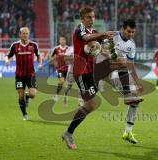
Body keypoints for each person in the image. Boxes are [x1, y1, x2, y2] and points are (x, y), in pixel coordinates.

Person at [62, 7, 116, 149]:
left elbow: (100, 48)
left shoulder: (95, 33)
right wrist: (103, 35)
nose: (91, 19)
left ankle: (69, 131)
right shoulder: (79, 30)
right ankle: (68, 133)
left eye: (93, 17)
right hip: (81, 72)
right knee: (91, 104)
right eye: (88, 17)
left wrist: (109, 53)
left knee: (90, 105)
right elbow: (86, 38)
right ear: (82, 19)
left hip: (92, 72)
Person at [109, 19, 143, 144]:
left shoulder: (131, 44)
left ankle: (128, 131)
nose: (130, 34)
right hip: (109, 72)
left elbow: (131, 64)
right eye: (129, 31)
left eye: (133, 32)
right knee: (132, 98)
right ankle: (127, 95)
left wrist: (137, 81)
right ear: (123, 28)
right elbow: (101, 50)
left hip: (122, 73)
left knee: (136, 101)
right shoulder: (112, 37)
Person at [5, 27, 42, 121]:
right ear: (20, 34)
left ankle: (27, 96)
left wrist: (40, 63)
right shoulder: (15, 45)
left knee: (33, 94)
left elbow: (38, 55)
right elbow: (8, 55)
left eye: (27, 33)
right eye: (23, 33)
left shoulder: (33, 45)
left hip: (31, 74)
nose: (25, 35)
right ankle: (25, 114)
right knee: (20, 96)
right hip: (19, 75)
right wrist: (7, 61)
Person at [50, 36, 74, 105]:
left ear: (65, 40)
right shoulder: (56, 49)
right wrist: (54, 63)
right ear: (59, 41)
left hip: (69, 68)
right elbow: (51, 57)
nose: (62, 41)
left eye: (63, 39)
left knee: (70, 84)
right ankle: (56, 95)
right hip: (60, 68)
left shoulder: (69, 49)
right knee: (61, 81)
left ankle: (65, 95)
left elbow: (72, 57)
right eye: (60, 40)